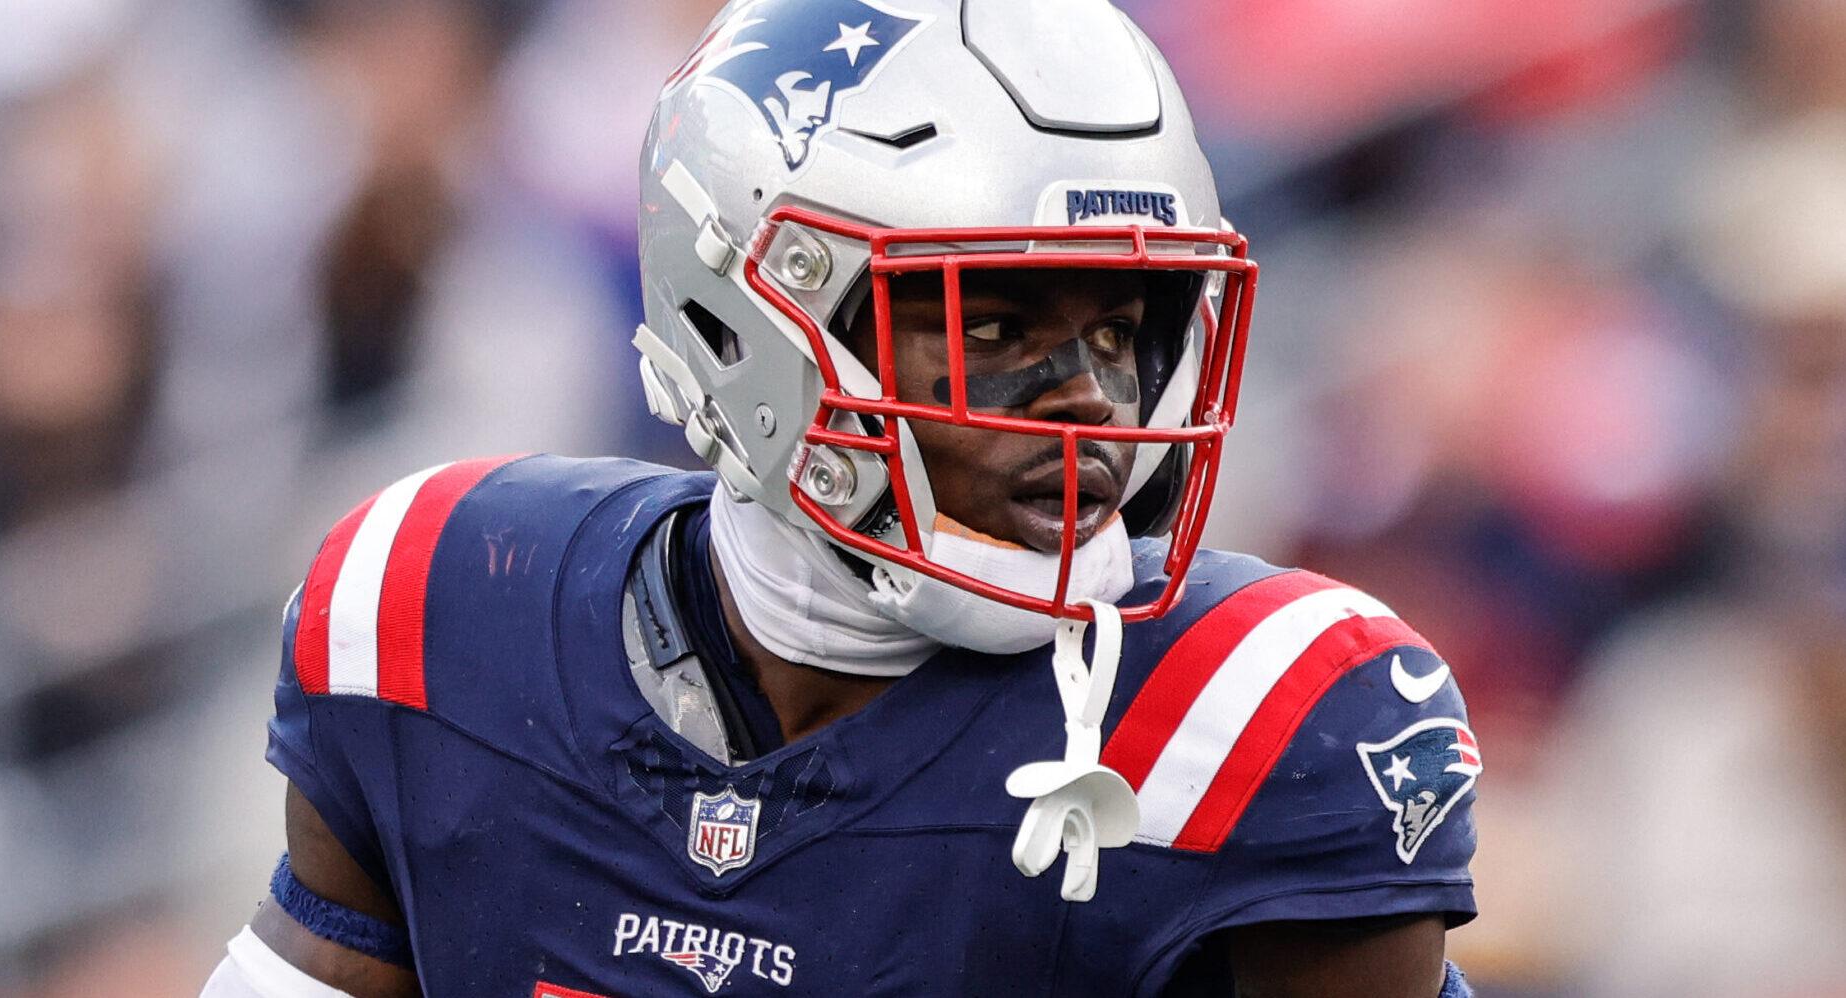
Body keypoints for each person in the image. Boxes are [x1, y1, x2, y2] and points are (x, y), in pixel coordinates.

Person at [203, 1, 1481, 994]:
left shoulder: (1256, 719)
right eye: (993, 320)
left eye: (1121, 324)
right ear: (753, 313)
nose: (1089, 398)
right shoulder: (441, 606)